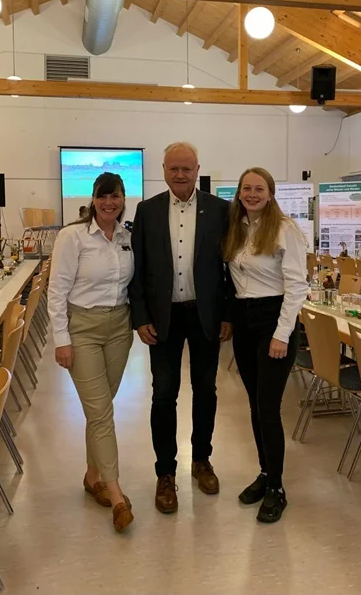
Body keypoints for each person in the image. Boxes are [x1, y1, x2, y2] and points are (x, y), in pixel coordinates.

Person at [130, 142, 232, 514]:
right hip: (163, 319)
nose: (180, 175)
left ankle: (202, 459)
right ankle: (165, 473)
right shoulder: (147, 211)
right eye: (173, 168)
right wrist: (140, 317)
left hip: (206, 316)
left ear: (197, 170)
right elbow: (137, 269)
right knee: (163, 394)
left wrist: (227, 314)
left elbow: (231, 267)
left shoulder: (220, 210)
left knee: (205, 390)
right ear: (163, 170)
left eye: (187, 168)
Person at [48, 172, 134, 534]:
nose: (109, 203)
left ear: (123, 199)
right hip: (82, 329)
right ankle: (115, 494)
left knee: (101, 408)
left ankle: (92, 475)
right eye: (103, 196)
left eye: (115, 196)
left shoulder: (128, 237)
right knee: (100, 413)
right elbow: (56, 290)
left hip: (119, 328)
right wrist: (61, 339)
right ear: (93, 199)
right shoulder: (73, 237)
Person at [224, 167, 308, 524]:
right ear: (239, 193)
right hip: (244, 320)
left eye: (259, 189)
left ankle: (276, 488)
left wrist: (281, 334)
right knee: (255, 405)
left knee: (268, 408)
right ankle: (265, 471)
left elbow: (297, 286)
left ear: (270, 194)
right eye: (247, 188)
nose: (252, 194)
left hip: (274, 320)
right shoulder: (237, 228)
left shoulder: (285, 230)